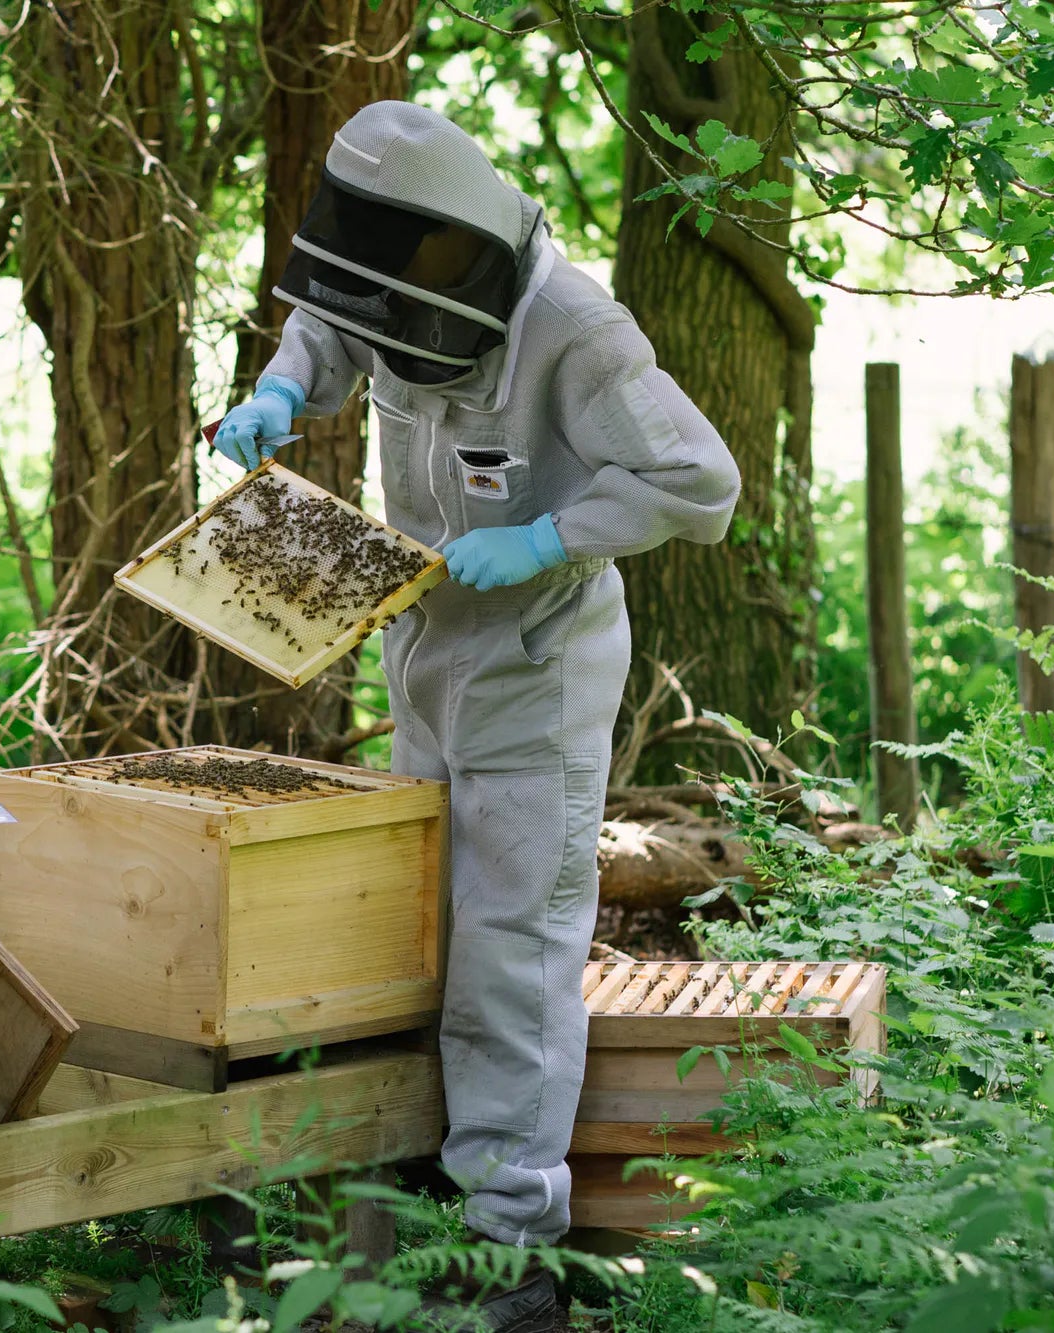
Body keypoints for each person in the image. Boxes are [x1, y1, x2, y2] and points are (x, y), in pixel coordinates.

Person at [214, 102, 740, 1329]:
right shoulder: (399, 267)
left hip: (538, 661)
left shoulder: (577, 333)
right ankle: (422, 1186)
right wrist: (279, 394)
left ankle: (510, 1246)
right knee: (417, 923)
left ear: (470, 260)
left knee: (512, 943)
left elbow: (698, 482)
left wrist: (554, 535)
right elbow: (329, 329)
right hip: (423, 639)